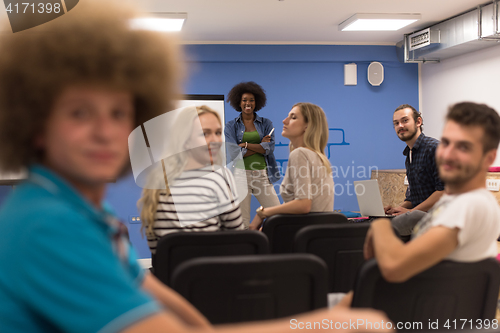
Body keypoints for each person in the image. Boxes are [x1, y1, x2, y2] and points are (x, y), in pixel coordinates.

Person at [0, 1, 391, 332]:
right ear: (36, 123)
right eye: (80, 113)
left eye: (119, 112)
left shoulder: (86, 210)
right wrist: (325, 323)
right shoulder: (46, 224)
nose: (105, 131)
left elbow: (152, 291)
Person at [364, 102, 500, 283]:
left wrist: (379, 227)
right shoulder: (454, 202)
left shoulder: (470, 206)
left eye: (463, 147)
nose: (447, 154)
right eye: (446, 142)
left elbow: (395, 267)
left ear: (489, 158)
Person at [138, 106, 245, 256]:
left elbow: (157, 249)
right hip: (213, 274)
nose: (215, 140)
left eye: (218, 133)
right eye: (205, 134)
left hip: (170, 276)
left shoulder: (155, 181)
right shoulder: (219, 177)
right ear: (185, 141)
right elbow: (237, 241)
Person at [250, 103, 334, 230]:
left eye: (293, 117)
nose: (285, 121)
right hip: (315, 237)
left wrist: (263, 213)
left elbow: (303, 204)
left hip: (301, 236)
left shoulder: (300, 154)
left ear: (307, 126)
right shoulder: (319, 157)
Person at [225, 82, 281, 228]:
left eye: (251, 100)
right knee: (241, 220)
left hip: (262, 174)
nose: (248, 103)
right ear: (239, 102)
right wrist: (260, 146)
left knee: (277, 214)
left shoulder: (266, 124)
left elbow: (269, 148)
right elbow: (234, 153)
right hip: (239, 175)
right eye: (244, 100)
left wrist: (246, 145)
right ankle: (243, 249)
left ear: (257, 103)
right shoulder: (231, 126)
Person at [385, 104, 445, 235]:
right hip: (420, 219)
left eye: (405, 120)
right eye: (396, 123)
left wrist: (411, 213)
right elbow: (414, 197)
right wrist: (398, 209)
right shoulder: (409, 154)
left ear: (418, 122)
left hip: (438, 219)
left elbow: (443, 191)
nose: (400, 126)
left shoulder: (434, 149)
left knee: (389, 231)